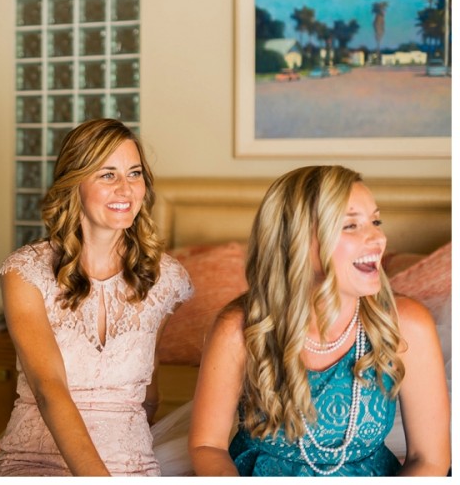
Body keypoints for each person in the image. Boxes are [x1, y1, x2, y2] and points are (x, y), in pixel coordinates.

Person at [183, 165, 450, 476]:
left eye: (376, 221)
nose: (377, 237)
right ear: (295, 239)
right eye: (351, 226)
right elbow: (207, 445)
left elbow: (429, 460)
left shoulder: (407, 325)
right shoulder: (238, 328)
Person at [0, 118, 192, 476]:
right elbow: (49, 390)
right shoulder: (25, 273)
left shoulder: (165, 278)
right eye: (108, 175)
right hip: (35, 460)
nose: (126, 190)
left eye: (135, 173)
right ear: (74, 183)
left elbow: (150, 389)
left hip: (132, 462)